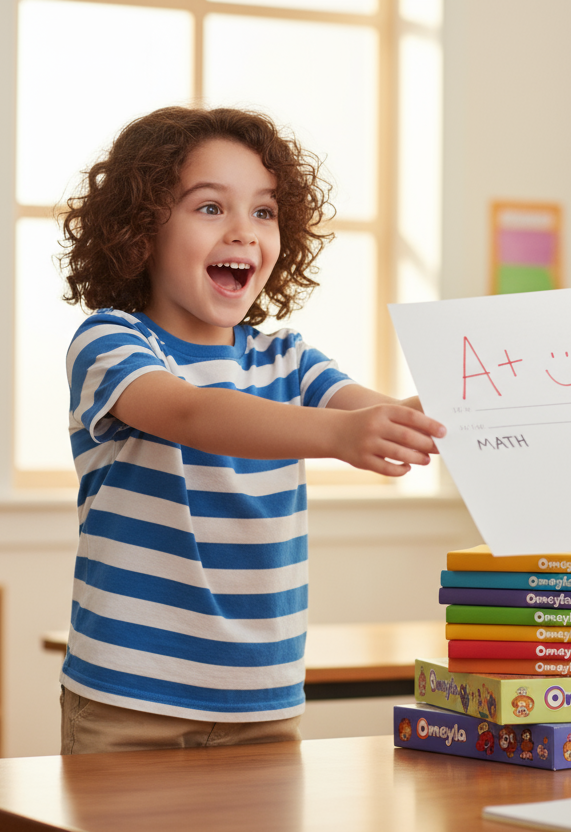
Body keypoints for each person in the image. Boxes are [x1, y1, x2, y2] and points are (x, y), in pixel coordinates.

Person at [56, 107, 445, 754]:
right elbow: (188, 413)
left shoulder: (286, 359)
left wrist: (508, 406)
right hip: (129, 699)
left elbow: (386, 414)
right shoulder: (111, 342)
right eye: (211, 208)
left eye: (263, 212)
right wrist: (340, 436)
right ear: (141, 228)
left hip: (264, 702)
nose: (244, 231)